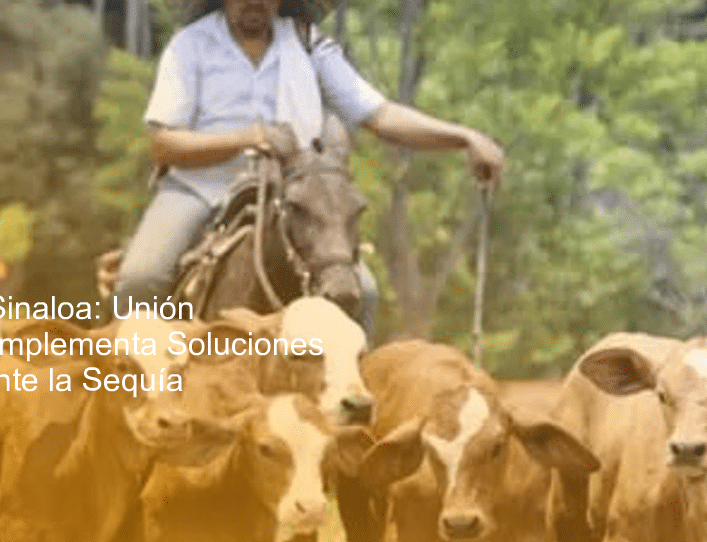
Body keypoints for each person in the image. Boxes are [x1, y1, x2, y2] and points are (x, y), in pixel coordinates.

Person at [113, 0, 504, 336]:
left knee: (361, 290)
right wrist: (247, 137)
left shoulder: (306, 43)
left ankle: (349, 402)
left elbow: (380, 115)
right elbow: (163, 144)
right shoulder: (190, 46)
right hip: (199, 188)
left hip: (292, 194)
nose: (255, 2)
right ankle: (127, 398)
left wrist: (464, 137)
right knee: (141, 278)